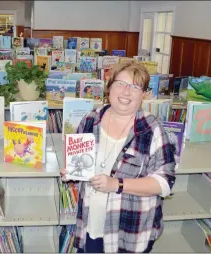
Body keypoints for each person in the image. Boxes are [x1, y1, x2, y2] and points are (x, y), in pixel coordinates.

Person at [60, 60, 176, 253]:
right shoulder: (90, 119)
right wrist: (71, 172)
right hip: (90, 224)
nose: (126, 92)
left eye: (135, 87)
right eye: (120, 84)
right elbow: (79, 163)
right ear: (109, 87)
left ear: (144, 94)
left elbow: (164, 183)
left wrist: (116, 184)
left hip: (130, 233)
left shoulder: (152, 128)